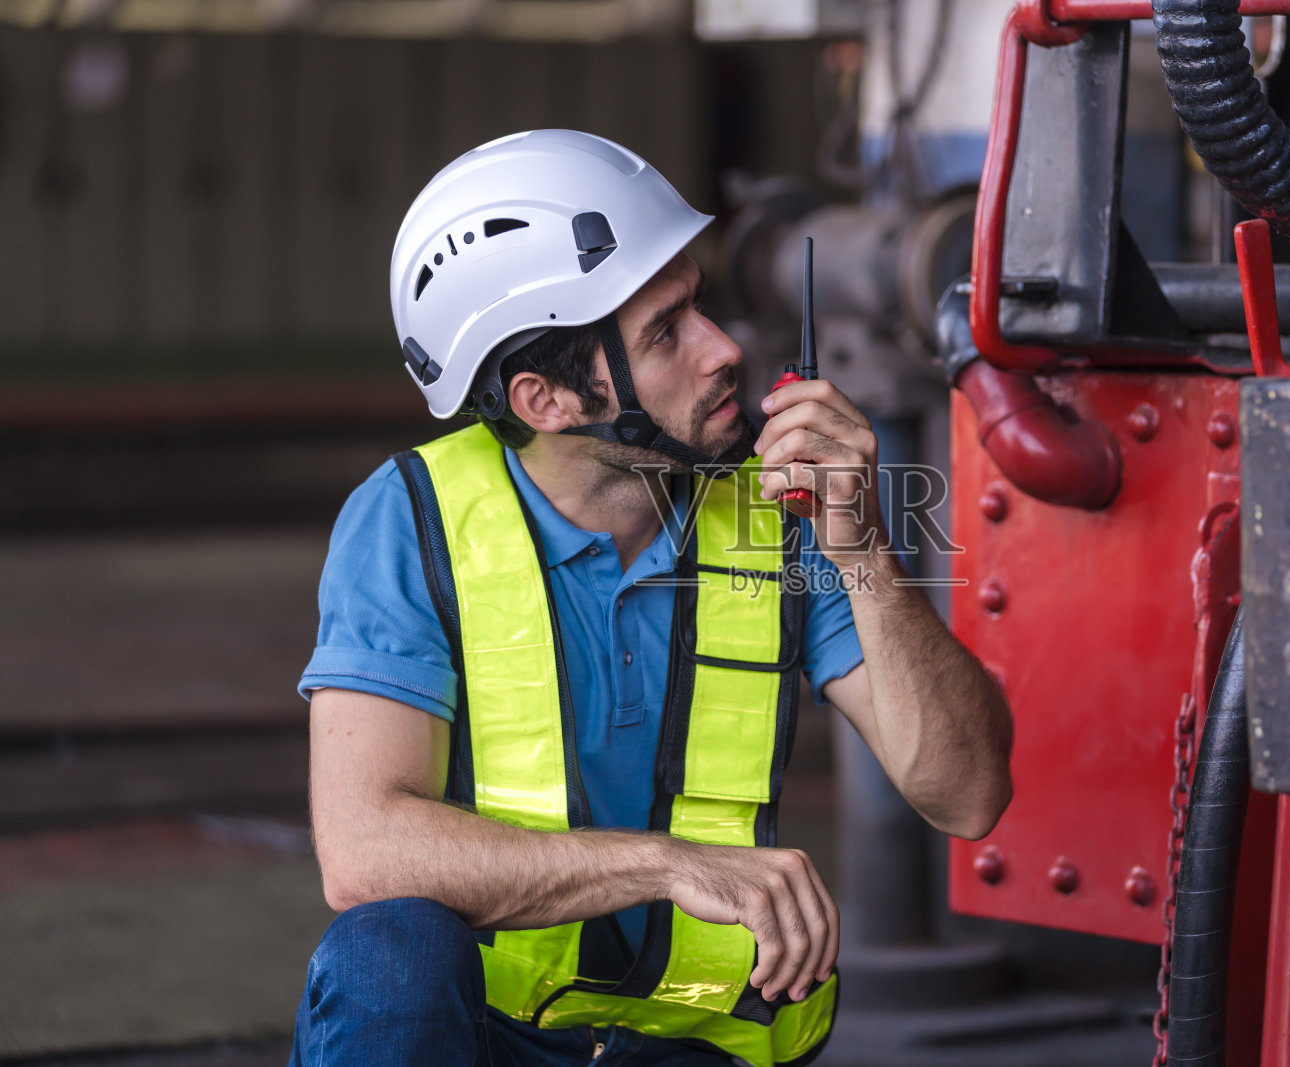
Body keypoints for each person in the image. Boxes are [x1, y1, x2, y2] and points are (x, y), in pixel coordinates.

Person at [289, 129, 1012, 1067]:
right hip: (488, 1038)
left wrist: (863, 543)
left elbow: (968, 794)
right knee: (387, 957)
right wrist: (670, 866)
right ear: (545, 399)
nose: (723, 350)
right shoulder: (411, 519)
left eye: (698, 305)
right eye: (666, 333)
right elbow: (364, 853)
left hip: (688, 1045)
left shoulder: (779, 509)